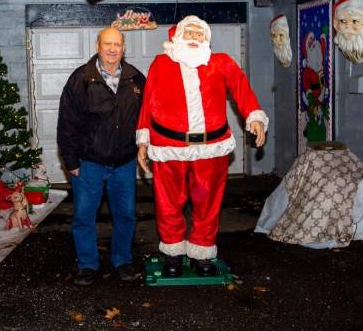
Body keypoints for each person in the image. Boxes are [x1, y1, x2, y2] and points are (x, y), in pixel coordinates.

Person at [136, 15, 268, 277]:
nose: (195, 37)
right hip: (168, 146)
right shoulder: (161, 64)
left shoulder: (221, 62)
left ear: (206, 39)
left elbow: (242, 89)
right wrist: (143, 140)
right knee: (169, 202)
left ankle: (202, 251)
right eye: (190, 32)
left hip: (212, 147)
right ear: (178, 36)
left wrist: (254, 117)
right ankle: (173, 253)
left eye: (200, 34)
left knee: (207, 202)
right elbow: (148, 101)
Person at [57, 27, 146, 286]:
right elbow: (67, 124)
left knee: (126, 214)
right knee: (84, 215)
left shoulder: (136, 79)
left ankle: (122, 260)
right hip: (89, 163)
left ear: (124, 47)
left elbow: (147, 116)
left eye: (117, 44)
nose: (112, 49)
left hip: (124, 162)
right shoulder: (80, 80)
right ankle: (87, 264)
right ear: (98, 45)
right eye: (107, 43)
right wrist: (70, 161)